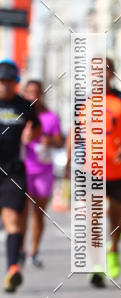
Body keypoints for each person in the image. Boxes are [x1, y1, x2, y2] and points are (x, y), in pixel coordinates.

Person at [70, 58, 121, 286]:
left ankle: (113, 248)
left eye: (104, 71)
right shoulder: (82, 102)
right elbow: (74, 133)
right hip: (91, 170)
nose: (99, 76)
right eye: (95, 72)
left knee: (115, 215)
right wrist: (68, 162)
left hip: (119, 170)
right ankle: (96, 263)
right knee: (92, 217)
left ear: (112, 74)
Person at [0, 60, 41, 292]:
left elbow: (36, 126)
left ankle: (13, 268)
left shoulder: (24, 105)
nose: (5, 85)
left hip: (13, 171)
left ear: (15, 82)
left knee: (13, 220)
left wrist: (30, 135)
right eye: (1, 81)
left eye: (9, 81)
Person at [22, 79, 64, 267]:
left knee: (38, 214)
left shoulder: (51, 117)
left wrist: (50, 141)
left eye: (36, 92)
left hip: (44, 171)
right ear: (24, 94)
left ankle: (34, 251)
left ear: (42, 94)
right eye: (29, 92)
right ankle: (20, 250)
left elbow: (59, 141)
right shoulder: (20, 114)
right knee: (21, 213)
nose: (33, 96)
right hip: (23, 169)